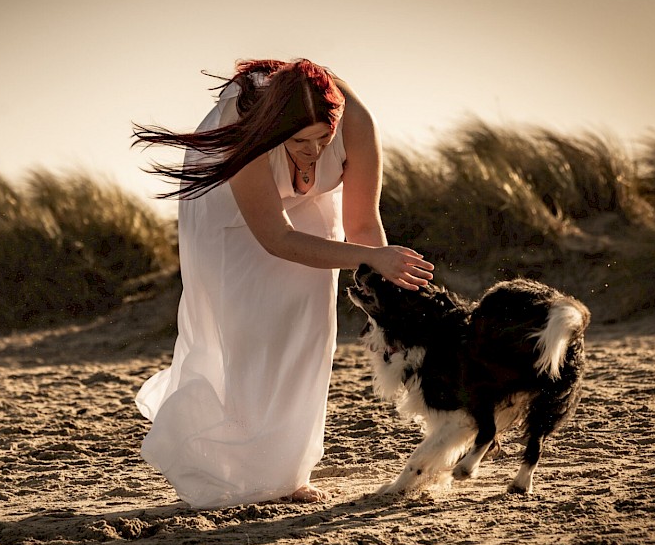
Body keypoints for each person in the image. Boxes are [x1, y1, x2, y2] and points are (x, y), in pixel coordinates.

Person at [132, 58, 434, 508]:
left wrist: (387, 292)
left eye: (323, 139)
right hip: (231, 205)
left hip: (308, 205)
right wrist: (371, 258)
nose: (313, 152)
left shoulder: (356, 122)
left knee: (311, 322)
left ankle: (290, 474)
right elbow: (275, 238)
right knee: (250, 327)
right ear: (278, 131)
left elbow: (363, 227)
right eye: (300, 142)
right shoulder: (245, 127)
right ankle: (234, 465)